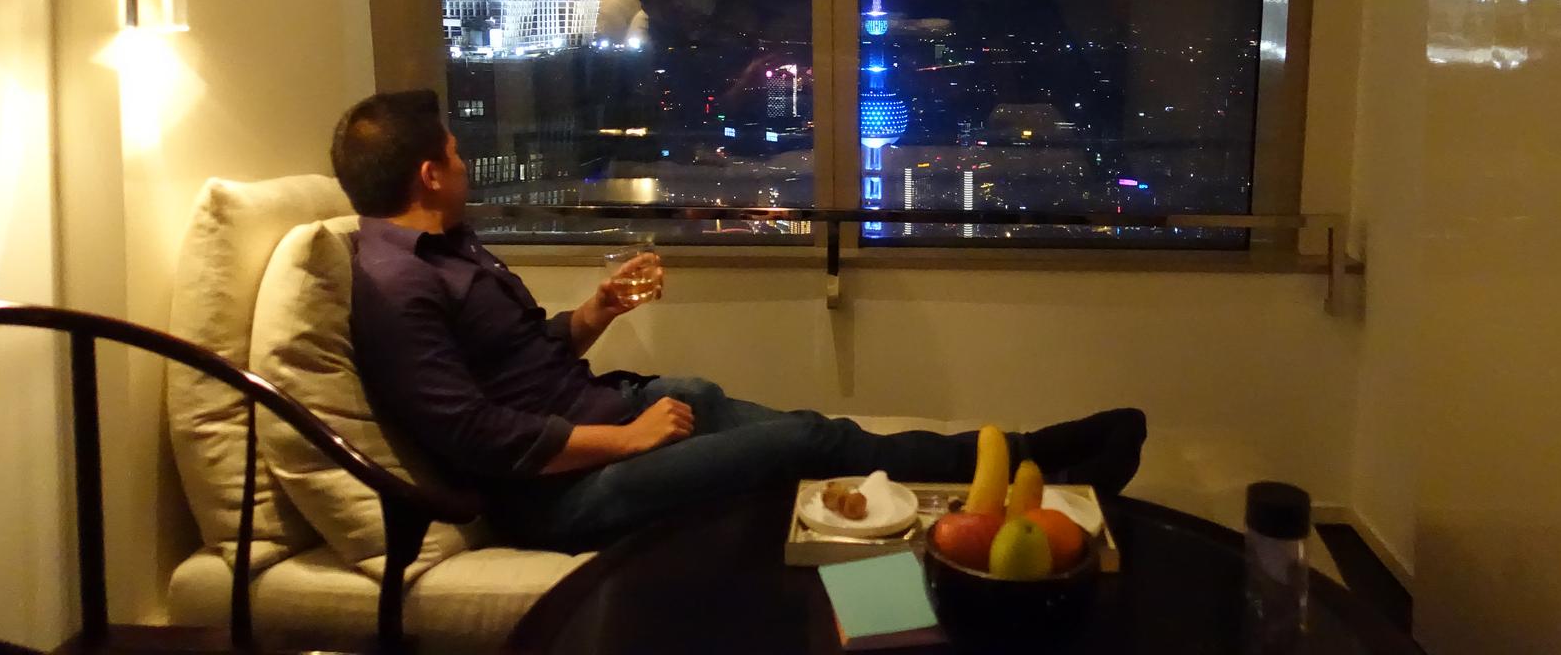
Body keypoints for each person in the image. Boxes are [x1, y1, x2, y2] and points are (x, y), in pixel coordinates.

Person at [333, 89, 1146, 551]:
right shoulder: (395, 286)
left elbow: (514, 362)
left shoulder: (449, 247)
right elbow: (476, 435)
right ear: (430, 173)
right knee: (799, 449)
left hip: (601, 416)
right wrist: (628, 439)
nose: (469, 165)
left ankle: (1025, 459)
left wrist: (593, 314)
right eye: (457, 153)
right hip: (560, 498)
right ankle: (1036, 470)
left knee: (811, 428)